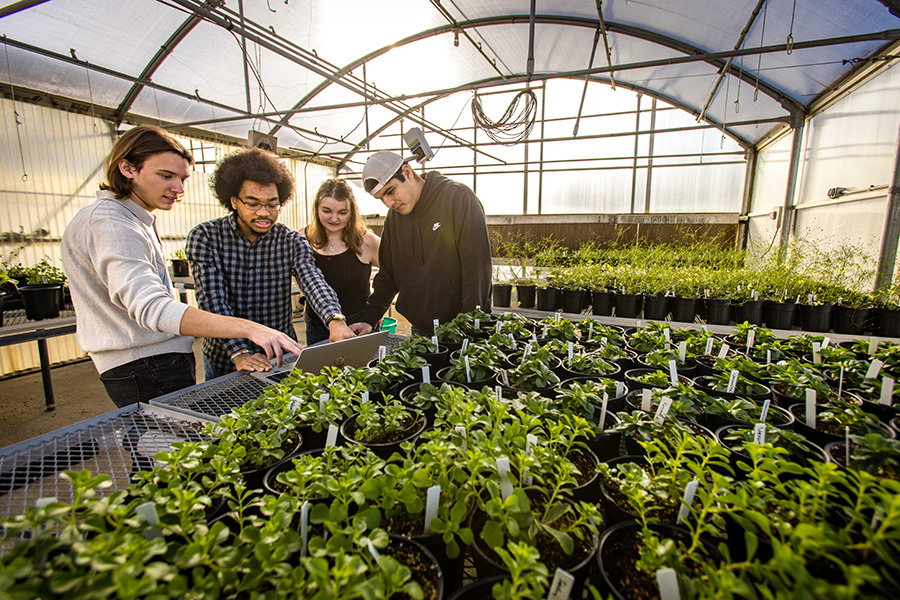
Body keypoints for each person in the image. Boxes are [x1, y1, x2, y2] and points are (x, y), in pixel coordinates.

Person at [61, 126, 303, 408]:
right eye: (166, 176)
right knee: (168, 447)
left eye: (182, 178)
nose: (178, 189)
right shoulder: (111, 224)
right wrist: (250, 329)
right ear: (127, 167)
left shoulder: (132, 218)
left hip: (156, 360)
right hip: (144, 364)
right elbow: (151, 307)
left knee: (177, 444)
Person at [186, 149, 355, 380]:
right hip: (226, 359)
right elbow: (212, 300)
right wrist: (240, 352)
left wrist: (334, 319)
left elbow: (313, 280)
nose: (264, 213)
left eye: (272, 205)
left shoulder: (291, 240)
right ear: (234, 201)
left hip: (279, 356)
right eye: (253, 204)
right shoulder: (206, 237)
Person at [350, 151, 492, 337]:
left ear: (407, 172)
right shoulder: (394, 219)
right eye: (381, 198)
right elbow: (388, 276)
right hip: (421, 329)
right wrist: (369, 319)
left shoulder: (458, 199)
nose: (388, 203)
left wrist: (471, 326)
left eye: (390, 191)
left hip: (461, 329)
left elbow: (477, 270)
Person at [303, 178, 381, 345]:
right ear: (316, 209)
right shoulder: (303, 239)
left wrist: (374, 313)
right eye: (327, 211)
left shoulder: (368, 241)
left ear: (352, 212)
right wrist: (306, 300)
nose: (334, 218)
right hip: (317, 326)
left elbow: (391, 276)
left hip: (358, 326)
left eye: (342, 212)